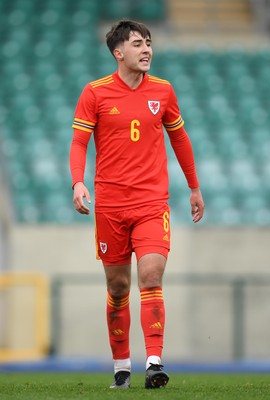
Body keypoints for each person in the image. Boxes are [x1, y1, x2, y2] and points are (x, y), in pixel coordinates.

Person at [69, 19, 204, 389]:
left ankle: (155, 364)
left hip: (151, 203)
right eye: (138, 44)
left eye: (149, 43)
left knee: (151, 277)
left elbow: (180, 140)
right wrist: (78, 181)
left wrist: (194, 187)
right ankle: (121, 367)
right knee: (117, 288)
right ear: (118, 52)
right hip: (110, 207)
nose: (146, 50)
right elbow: (80, 143)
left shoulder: (163, 90)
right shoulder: (95, 93)